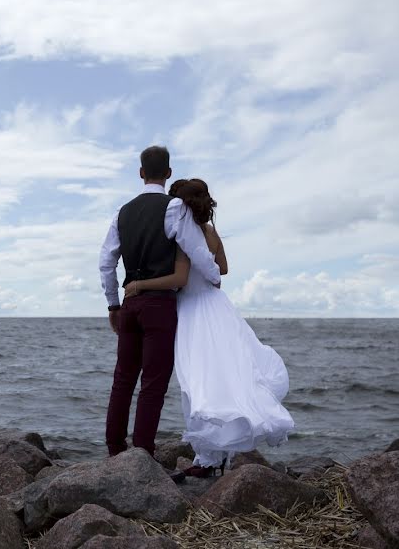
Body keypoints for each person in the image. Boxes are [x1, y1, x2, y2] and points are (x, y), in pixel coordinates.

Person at [125, 178, 295, 475]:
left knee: (198, 380)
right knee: (223, 374)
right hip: (218, 306)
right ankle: (217, 455)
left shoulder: (183, 240)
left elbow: (179, 280)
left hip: (193, 311)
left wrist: (140, 285)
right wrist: (211, 274)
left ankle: (208, 457)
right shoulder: (212, 233)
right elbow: (223, 270)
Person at [98, 147, 221, 458]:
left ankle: (115, 450)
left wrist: (113, 305)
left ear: (141, 173)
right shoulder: (175, 208)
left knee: (122, 380)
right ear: (168, 173)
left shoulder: (121, 213)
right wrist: (215, 278)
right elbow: (198, 253)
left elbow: (105, 263)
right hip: (159, 307)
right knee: (152, 385)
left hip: (129, 304)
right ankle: (142, 453)